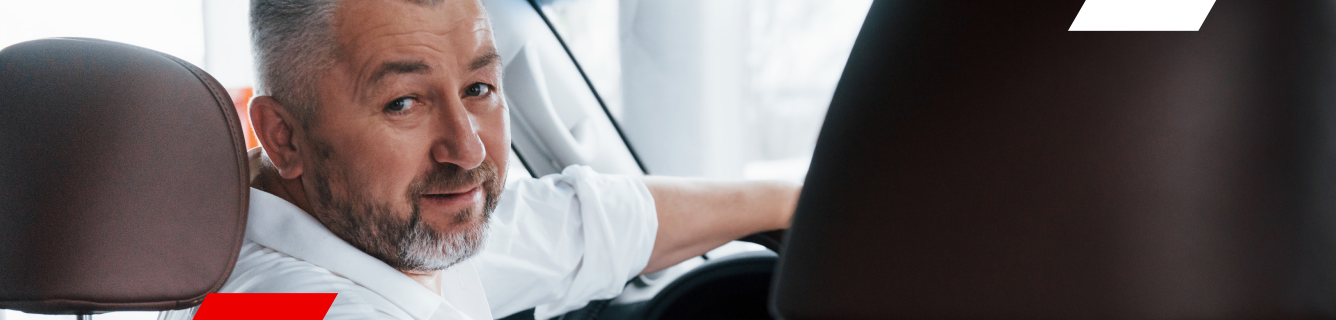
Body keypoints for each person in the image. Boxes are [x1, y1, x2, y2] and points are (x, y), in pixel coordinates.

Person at [165, 0, 800, 319]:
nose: (467, 149)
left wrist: (796, 203)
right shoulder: (281, 303)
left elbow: (579, 225)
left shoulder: (374, 233)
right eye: (404, 102)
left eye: (478, 90)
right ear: (285, 138)